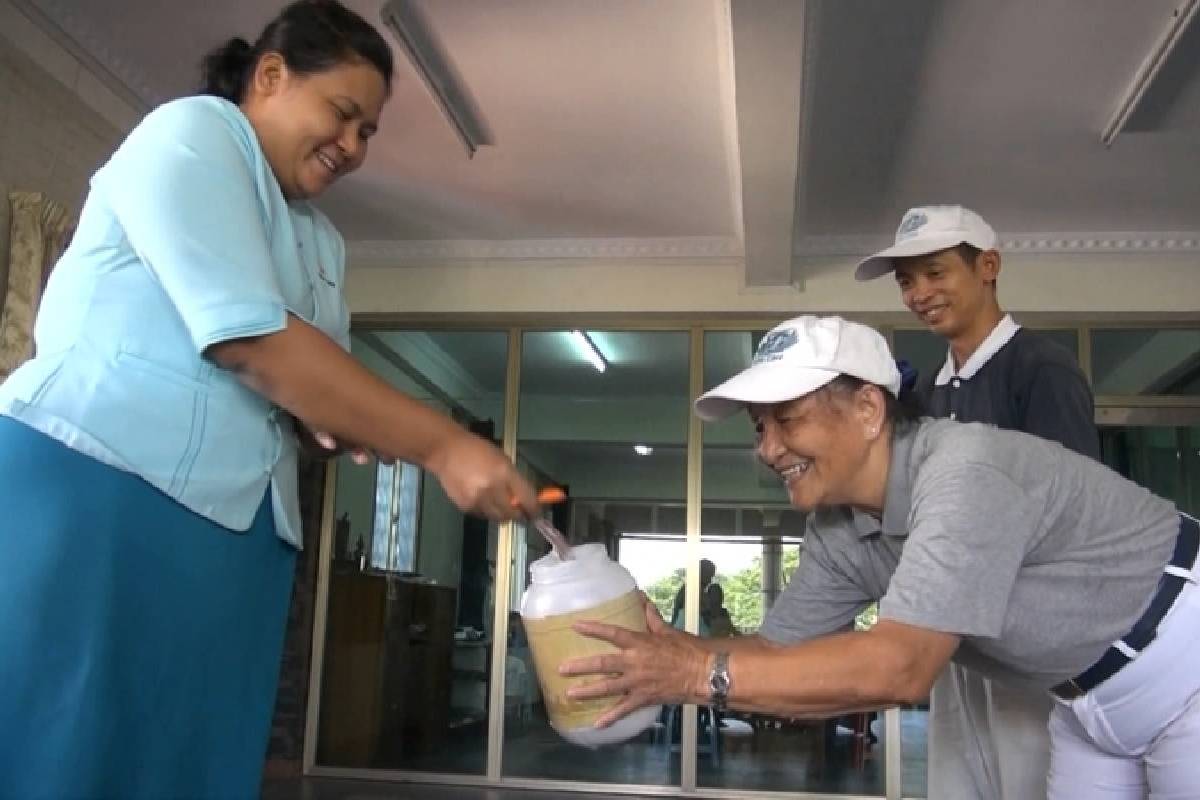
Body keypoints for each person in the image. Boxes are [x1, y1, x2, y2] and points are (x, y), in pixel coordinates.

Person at [0, 3, 539, 799]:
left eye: (369, 133)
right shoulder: (196, 132)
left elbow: (315, 377)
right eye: (344, 115)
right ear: (272, 75)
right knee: (69, 749)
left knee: (190, 761)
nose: (354, 146)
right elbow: (251, 342)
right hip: (99, 486)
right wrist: (443, 445)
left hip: (241, 533)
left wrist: (334, 417)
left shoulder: (321, 240)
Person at [560, 315, 1200, 800]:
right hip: (1086, 697)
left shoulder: (963, 471)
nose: (768, 447)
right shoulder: (840, 529)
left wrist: (697, 674)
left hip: (1186, 661)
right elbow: (780, 652)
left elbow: (901, 668)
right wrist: (674, 650)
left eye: (786, 418)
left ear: (869, 409)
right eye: (759, 427)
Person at [855, 205, 1100, 799]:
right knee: (956, 783)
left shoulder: (1042, 369)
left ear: (988, 266)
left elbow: (1073, 512)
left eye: (935, 273)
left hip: (1028, 638)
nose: (919, 293)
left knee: (1029, 782)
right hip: (957, 640)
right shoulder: (930, 393)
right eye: (907, 281)